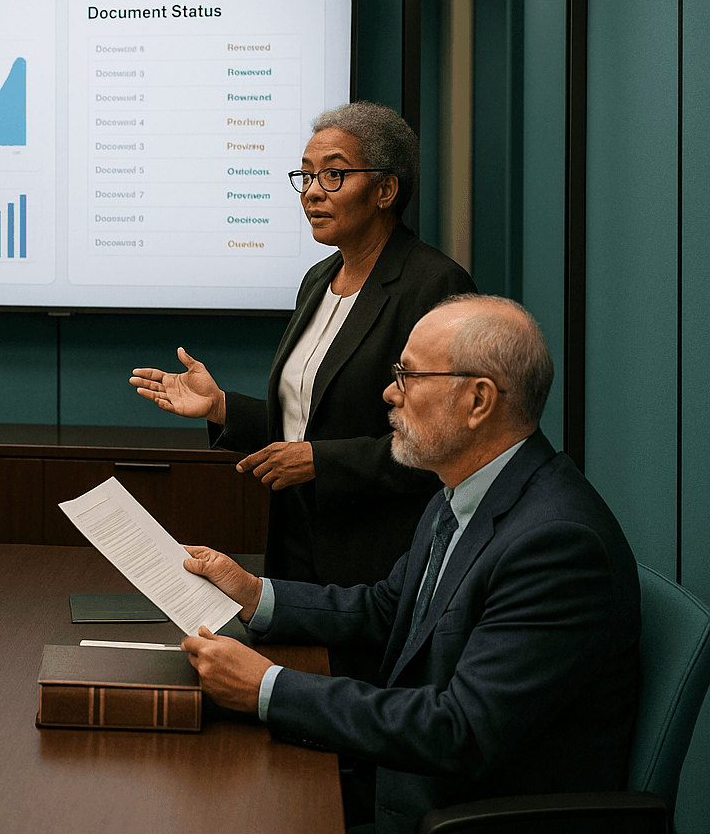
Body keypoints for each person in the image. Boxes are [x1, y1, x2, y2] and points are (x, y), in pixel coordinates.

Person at [179, 295, 640, 834]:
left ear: (478, 400)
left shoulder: (557, 545)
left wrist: (269, 687)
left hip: (458, 816)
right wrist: (254, 594)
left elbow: (459, 730)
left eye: (408, 375)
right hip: (407, 787)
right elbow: (386, 607)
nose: (388, 393)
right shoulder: (465, 489)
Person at [131, 102, 477, 591]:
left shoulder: (434, 285)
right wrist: (223, 408)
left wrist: (322, 462)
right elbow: (308, 420)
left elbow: (446, 446)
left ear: (385, 189)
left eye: (333, 175)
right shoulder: (318, 279)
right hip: (295, 542)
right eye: (306, 176)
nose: (312, 192)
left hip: (376, 560)